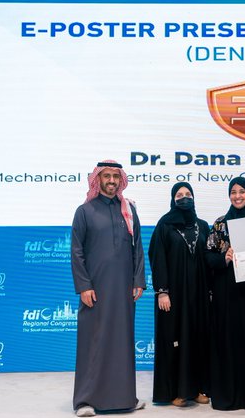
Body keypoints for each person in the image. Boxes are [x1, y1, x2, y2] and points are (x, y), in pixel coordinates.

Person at [70, 161, 146, 417]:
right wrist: (84, 286)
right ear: (98, 179)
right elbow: (76, 251)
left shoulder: (129, 211)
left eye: (116, 176)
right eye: (107, 176)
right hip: (95, 290)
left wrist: (138, 280)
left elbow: (137, 248)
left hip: (123, 290)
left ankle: (125, 399)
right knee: (92, 343)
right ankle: (85, 401)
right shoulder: (84, 211)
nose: (112, 180)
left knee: (121, 343)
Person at [205, 177, 245, 411]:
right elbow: (208, 256)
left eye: (242, 191)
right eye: (233, 192)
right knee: (227, 338)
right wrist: (225, 258)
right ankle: (227, 394)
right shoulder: (220, 224)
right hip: (226, 290)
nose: (237, 196)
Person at [149, 182, 211, 407]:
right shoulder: (165, 225)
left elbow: (210, 258)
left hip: (199, 295)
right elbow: (157, 257)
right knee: (174, 339)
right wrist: (162, 291)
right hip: (174, 294)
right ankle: (175, 391)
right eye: (179, 194)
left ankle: (197, 389)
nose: (184, 198)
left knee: (198, 339)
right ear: (172, 199)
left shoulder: (202, 226)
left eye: (188, 194)